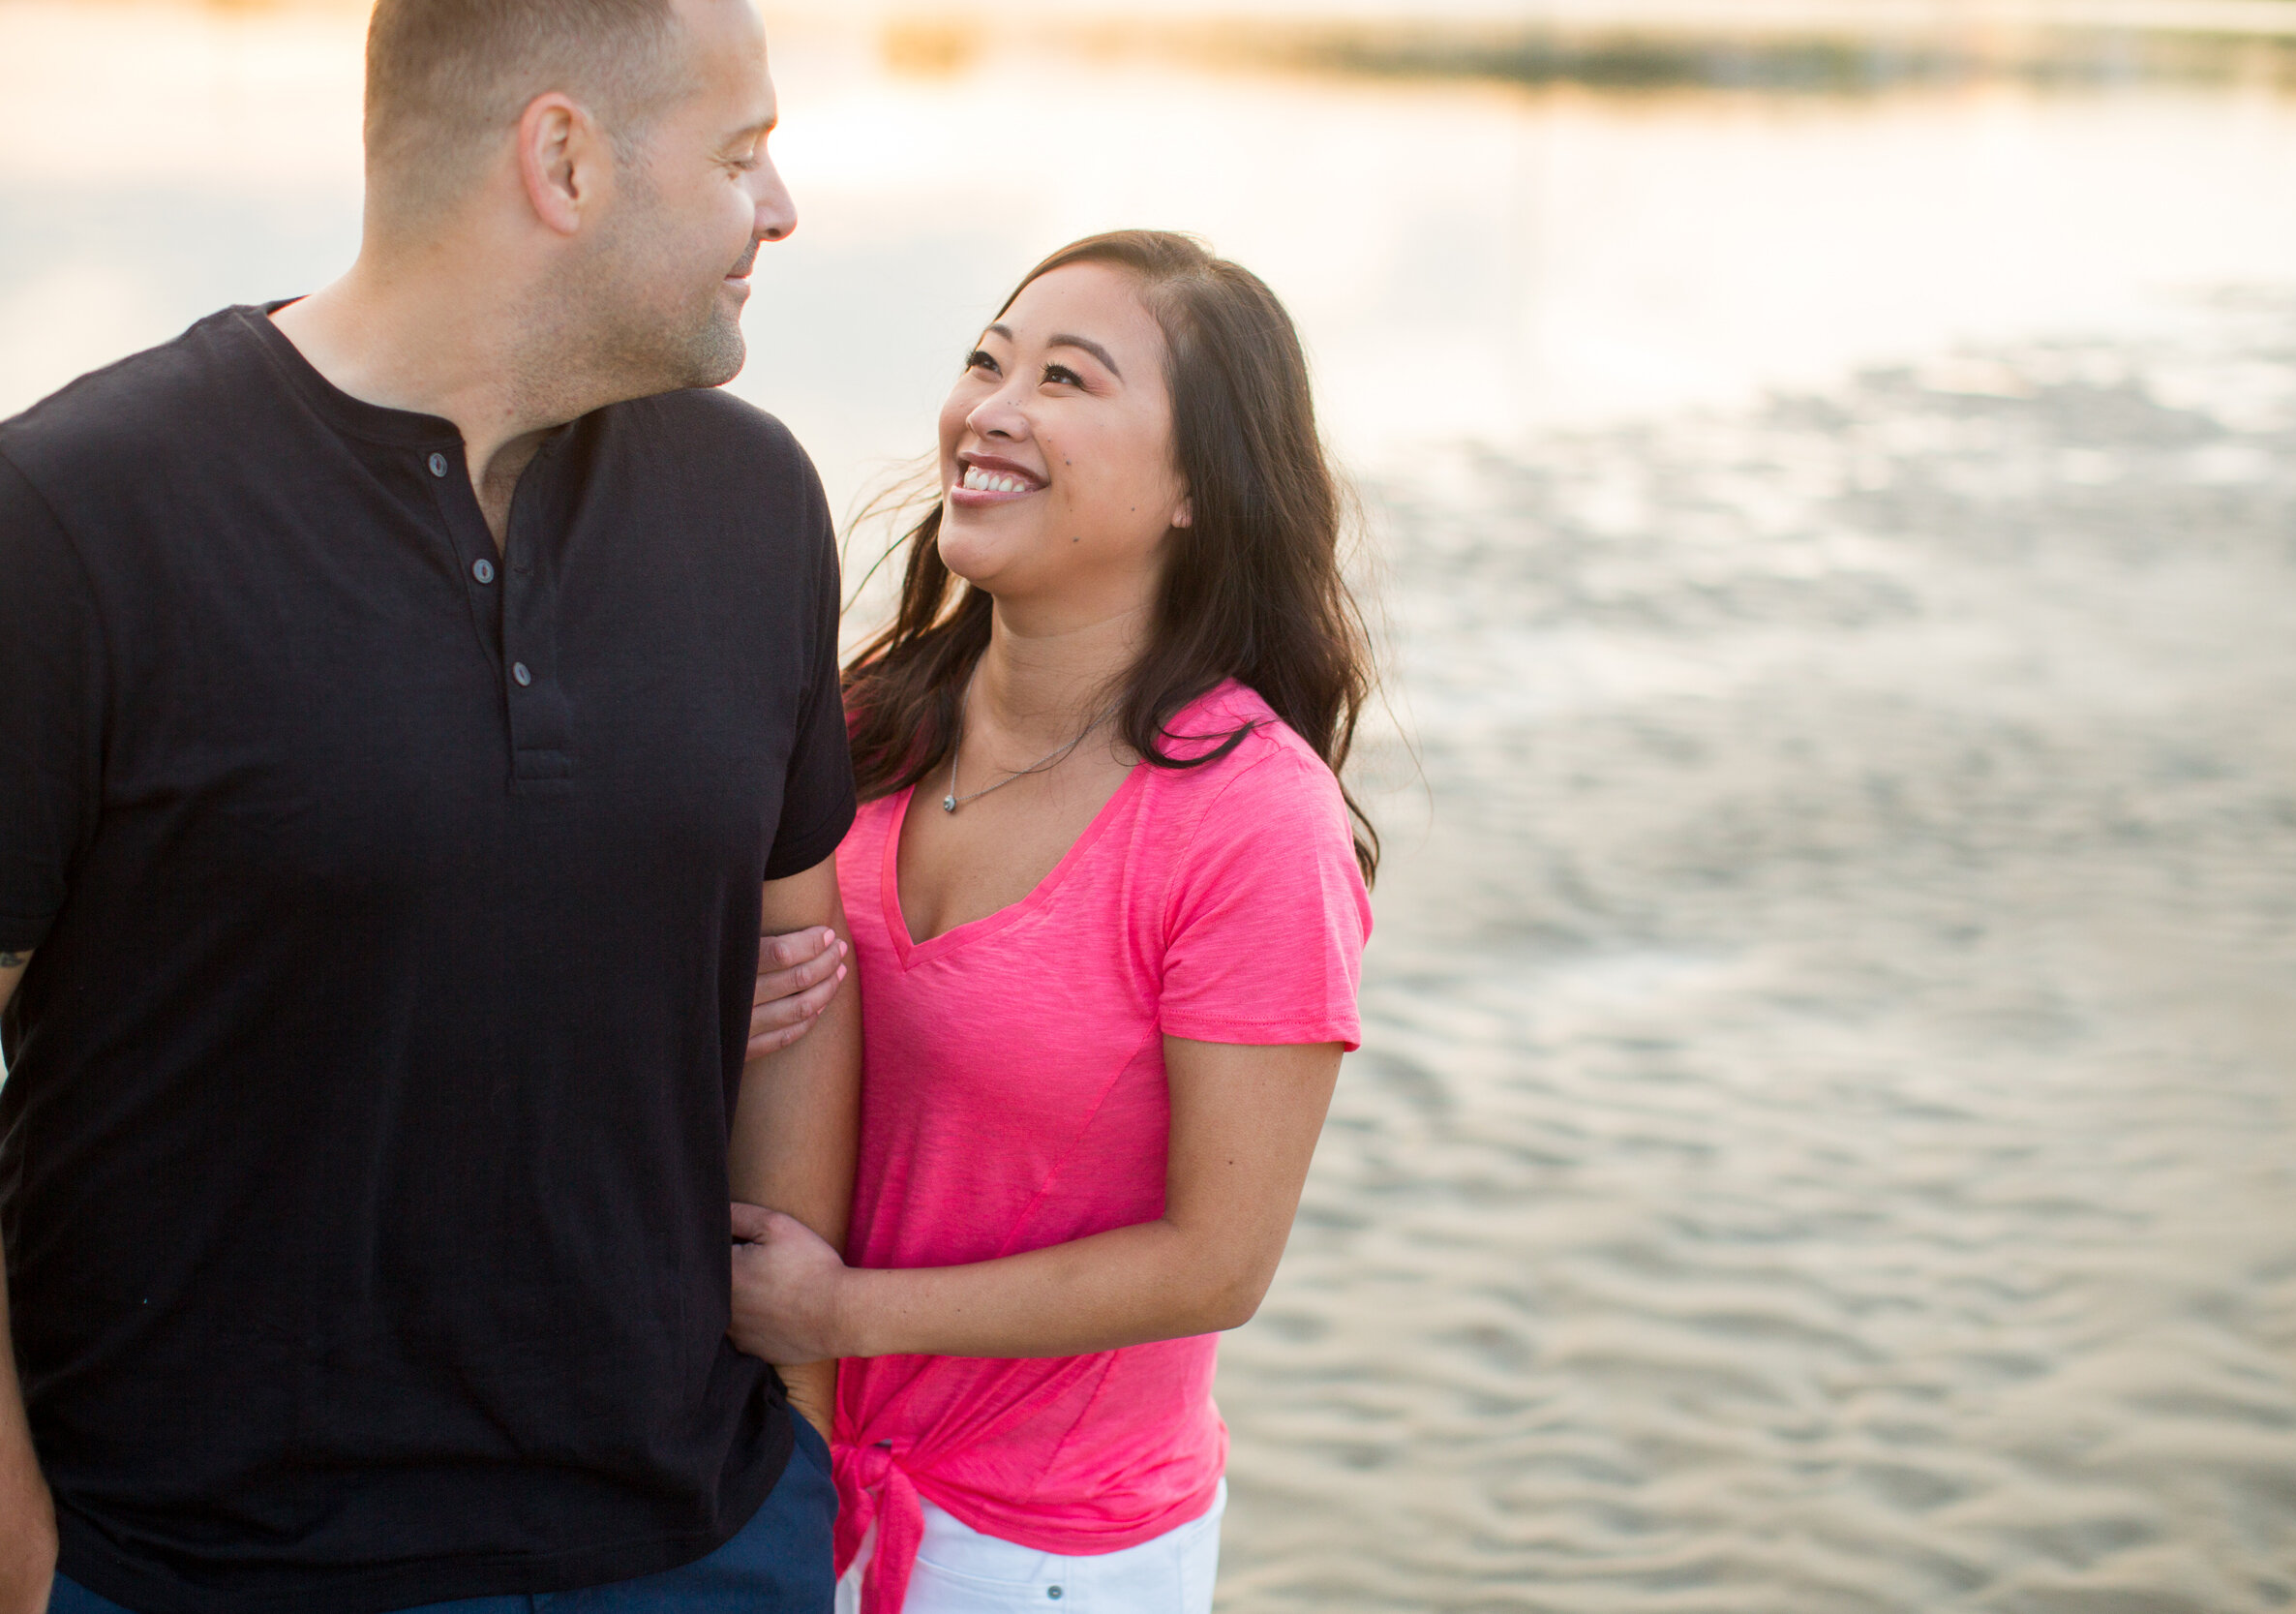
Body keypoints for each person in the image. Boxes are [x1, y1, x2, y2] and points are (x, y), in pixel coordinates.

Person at [0, 0, 860, 1609]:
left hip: (694, 1548)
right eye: (741, 154)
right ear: (563, 160)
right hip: (197, 1565)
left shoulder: (758, 501)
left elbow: (802, 964)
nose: (782, 208)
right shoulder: (70, 517)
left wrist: (790, 1436)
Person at [728, 230, 1378, 1614]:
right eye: (987, 360)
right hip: (772, 1485)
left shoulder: (1253, 822)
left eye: (1068, 380)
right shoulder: (861, 724)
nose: (994, 409)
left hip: (1047, 1558)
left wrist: (842, 1316)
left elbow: (1219, 1261)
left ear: (1203, 484)